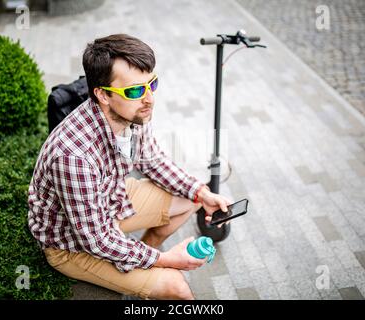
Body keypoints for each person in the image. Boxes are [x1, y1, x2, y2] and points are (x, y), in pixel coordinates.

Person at [28, 34, 231, 300]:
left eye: (152, 84)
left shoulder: (132, 113)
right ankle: (142, 265)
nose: (149, 99)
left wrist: (203, 194)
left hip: (112, 200)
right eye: (135, 90)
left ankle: (139, 257)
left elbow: (153, 160)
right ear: (102, 94)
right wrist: (166, 260)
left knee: (192, 198)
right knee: (177, 286)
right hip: (72, 244)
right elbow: (95, 239)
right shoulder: (73, 157)